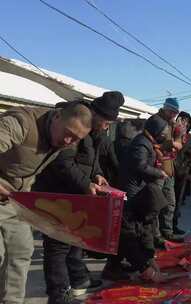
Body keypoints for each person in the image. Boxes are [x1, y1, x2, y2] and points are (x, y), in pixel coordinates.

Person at [33, 91, 125, 304]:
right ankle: (59, 294)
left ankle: (77, 279)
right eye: (107, 122)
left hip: (75, 194)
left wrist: (98, 174)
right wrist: (86, 184)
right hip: (59, 193)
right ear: (98, 116)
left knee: (76, 239)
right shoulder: (76, 126)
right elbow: (62, 163)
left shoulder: (92, 134)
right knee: (57, 246)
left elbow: (90, 162)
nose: (107, 127)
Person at [0, 103, 92, 304]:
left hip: (17, 200)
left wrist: (92, 180)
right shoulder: (21, 122)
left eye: (76, 139)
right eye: (68, 134)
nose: (69, 141)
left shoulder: (63, 140)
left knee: (21, 252)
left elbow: (66, 165)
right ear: (57, 116)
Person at [102, 114, 170, 282]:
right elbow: (139, 165)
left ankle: (114, 267)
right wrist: (158, 173)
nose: (164, 135)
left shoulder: (147, 142)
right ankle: (128, 268)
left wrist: (150, 259)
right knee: (129, 235)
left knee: (129, 233)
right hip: (132, 194)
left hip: (137, 191)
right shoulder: (141, 144)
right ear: (155, 130)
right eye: (163, 131)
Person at [152, 98, 185, 243]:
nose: (173, 114)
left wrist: (177, 140)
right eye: (171, 111)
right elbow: (155, 143)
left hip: (169, 168)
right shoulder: (155, 121)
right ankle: (155, 235)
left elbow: (178, 144)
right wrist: (173, 143)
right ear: (165, 109)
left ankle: (167, 231)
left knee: (170, 203)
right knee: (156, 204)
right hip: (156, 168)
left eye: (175, 112)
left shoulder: (173, 124)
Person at [173, 112, 191, 235]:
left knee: (177, 200)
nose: (184, 123)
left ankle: (174, 224)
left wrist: (186, 169)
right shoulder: (172, 134)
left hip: (181, 172)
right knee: (169, 201)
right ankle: (166, 227)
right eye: (182, 120)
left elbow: (190, 156)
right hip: (170, 171)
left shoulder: (188, 138)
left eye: (187, 122)